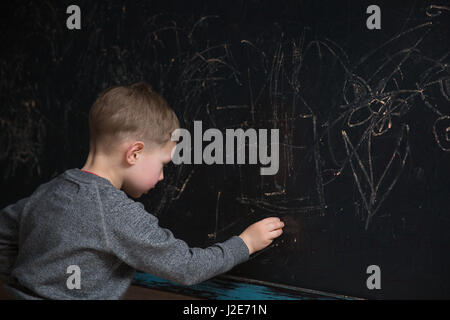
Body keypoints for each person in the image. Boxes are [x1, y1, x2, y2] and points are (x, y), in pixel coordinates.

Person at [0, 82, 284, 299]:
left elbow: (3, 235)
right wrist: (245, 243)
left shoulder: (49, 191)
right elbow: (186, 267)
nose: (162, 177)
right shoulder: (115, 211)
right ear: (135, 153)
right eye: (162, 164)